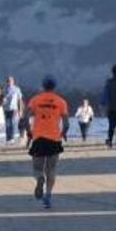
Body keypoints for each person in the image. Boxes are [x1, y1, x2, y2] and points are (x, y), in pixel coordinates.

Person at [27, 76, 69, 210]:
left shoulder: (35, 100)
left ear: (43, 86)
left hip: (38, 138)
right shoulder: (61, 102)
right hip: (54, 139)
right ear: (54, 87)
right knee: (51, 169)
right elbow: (67, 123)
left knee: (37, 168)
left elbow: (24, 117)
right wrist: (63, 133)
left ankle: (40, 179)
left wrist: (29, 132)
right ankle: (48, 195)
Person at [2, 76, 23, 144]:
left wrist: (20, 110)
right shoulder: (4, 90)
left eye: (10, 81)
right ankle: (8, 138)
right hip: (6, 109)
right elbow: (2, 100)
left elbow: (19, 100)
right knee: (8, 124)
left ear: (13, 82)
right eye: (8, 81)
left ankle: (12, 138)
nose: (9, 82)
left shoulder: (17, 89)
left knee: (13, 123)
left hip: (14, 109)